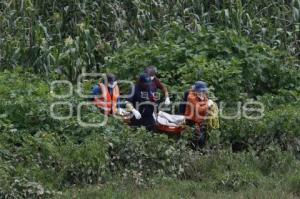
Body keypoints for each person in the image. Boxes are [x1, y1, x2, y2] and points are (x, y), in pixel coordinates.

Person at [179, 81, 212, 149]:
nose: (203, 93)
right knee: (195, 139)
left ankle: (199, 151)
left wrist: (206, 104)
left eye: (204, 91)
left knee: (201, 139)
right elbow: (199, 109)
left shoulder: (203, 95)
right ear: (196, 90)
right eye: (201, 91)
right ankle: (192, 152)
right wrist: (207, 105)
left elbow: (205, 103)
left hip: (200, 120)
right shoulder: (191, 97)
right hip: (191, 120)